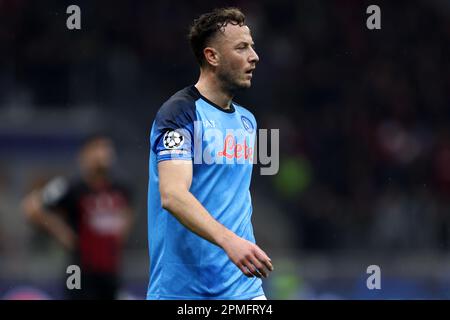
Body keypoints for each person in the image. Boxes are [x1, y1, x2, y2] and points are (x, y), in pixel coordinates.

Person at [147, 7, 273, 300]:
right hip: (181, 291)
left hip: (242, 288)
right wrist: (230, 242)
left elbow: (234, 196)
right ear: (212, 56)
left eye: (252, 46)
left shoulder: (248, 121)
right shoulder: (178, 114)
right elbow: (173, 195)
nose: (254, 56)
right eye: (241, 48)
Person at [22, 134, 134, 300]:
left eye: (107, 148)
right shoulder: (70, 188)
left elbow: (128, 213)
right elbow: (31, 206)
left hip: (110, 269)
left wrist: (115, 238)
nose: (104, 153)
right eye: (98, 148)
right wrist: (60, 231)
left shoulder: (121, 189)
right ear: (85, 155)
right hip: (77, 270)